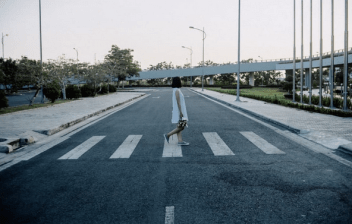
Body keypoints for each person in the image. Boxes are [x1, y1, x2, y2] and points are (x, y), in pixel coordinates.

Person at [164, 77, 189, 146]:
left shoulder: (175, 90)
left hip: (177, 110)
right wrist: (181, 112)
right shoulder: (177, 90)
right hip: (179, 111)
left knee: (179, 126)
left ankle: (180, 141)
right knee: (182, 127)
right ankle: (168, 135)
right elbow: (178, 102)